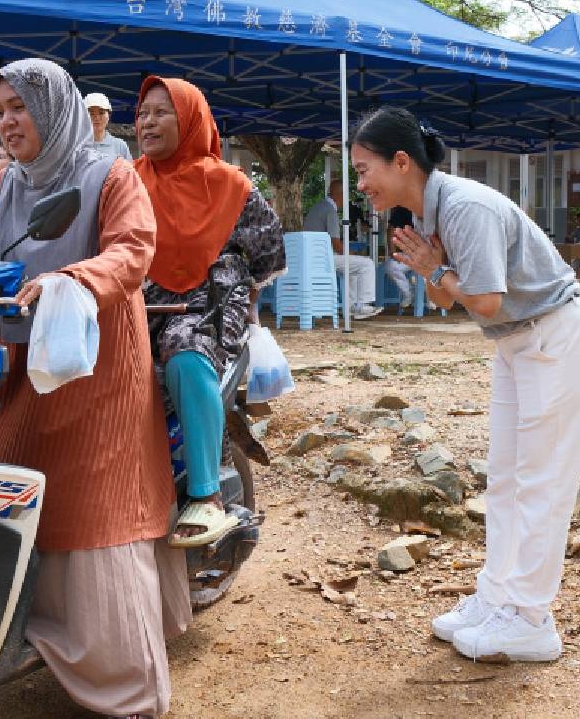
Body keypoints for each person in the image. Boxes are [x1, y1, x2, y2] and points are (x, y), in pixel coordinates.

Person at [0, 58, 188, 718]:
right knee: (4, 480)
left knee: (93, 504)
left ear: (54, 109)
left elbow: (133, 249)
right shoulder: (3, 189)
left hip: (95, 370)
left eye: (20, 107)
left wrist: (76, 279)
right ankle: (22, 631)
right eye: (0, 110)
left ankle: (126, 680)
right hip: (20, 369)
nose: (8, 121)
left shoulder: (109, 175)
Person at [352, 106, 580, 664]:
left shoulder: (463, 206)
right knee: (506, 481)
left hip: (557, 338)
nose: (361, 184)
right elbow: (451, 299)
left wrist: (439, 273)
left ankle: (531, 619)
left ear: (402, 162)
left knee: (541, 485)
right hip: (518, 342)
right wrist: (433, 271)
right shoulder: (426, 212)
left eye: (365, 169)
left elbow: (484, 300)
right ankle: (497, 599)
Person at [134, 76, 285, 546]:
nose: (147, 122)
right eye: (142, 113)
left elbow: (267, 254)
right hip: (142, 301)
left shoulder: (230, 184)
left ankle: (207, 495)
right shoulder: (127, 181)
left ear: (191, 119)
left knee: (184, 349)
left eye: (162, 112)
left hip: (209, 305)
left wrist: (235, 288)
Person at [303, 178, 382, 319]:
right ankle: (362, 305)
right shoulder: (330, 211)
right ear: (340, 195)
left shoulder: (318, 207)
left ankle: (352, 306)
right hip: (324, 260)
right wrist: (352, 253)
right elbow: (336, 245)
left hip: (312, 258)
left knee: (352, 268)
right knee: (367, 263)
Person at [84, 92, 132, 160]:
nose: (97, 117)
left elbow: (129, 170)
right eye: (91, 113)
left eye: (101, 113)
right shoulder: (77, 146)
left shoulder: (120, 146)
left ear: (109, 115)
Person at [384, 205, 416, 309]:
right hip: (409, 254)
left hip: (429, 255)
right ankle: (408, 293)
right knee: (391, 266)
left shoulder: (434, 207)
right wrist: (393, 252)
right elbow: (391, 230)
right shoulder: (403, 209)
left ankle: (431, 298)